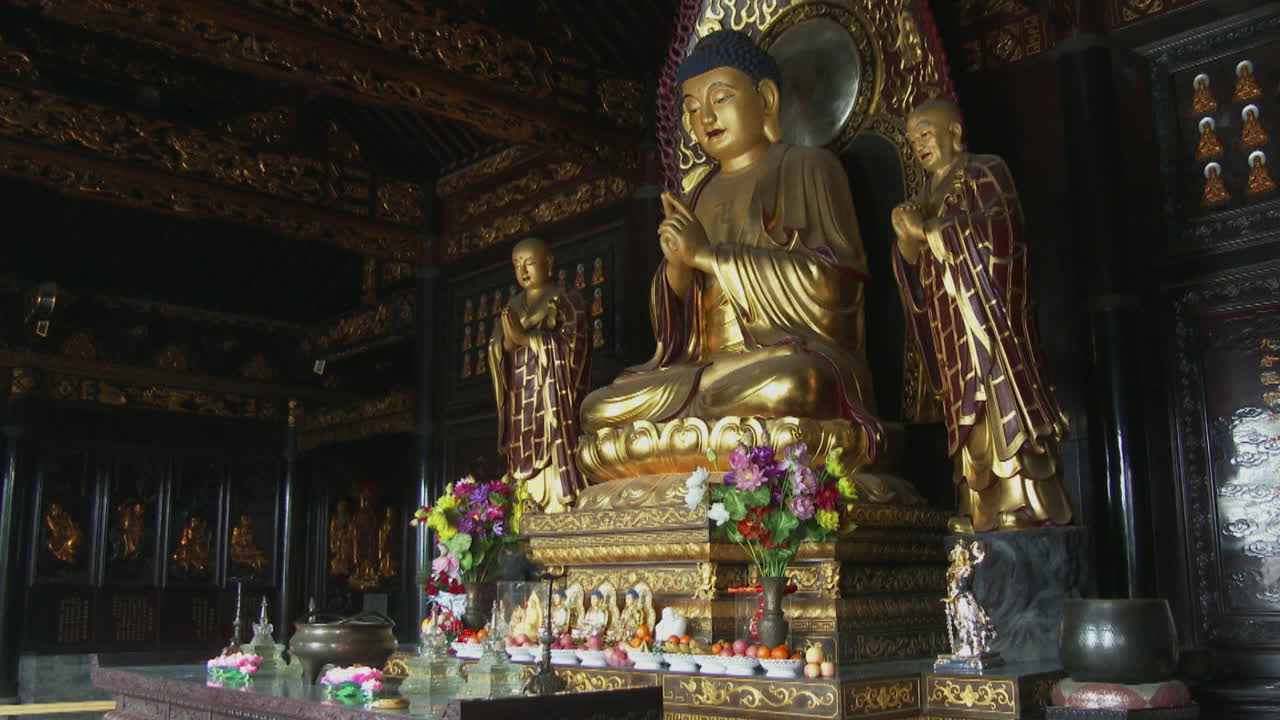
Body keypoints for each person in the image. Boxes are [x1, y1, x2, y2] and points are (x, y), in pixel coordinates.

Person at [579, 29, 881, 473]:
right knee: (597, 408)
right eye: (693, 109)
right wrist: (678, 272)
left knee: (796, 387)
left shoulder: (808, 166)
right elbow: (678, 330)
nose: (706, 118)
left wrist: (707, 256)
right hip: (704, 372)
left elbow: (835, 288)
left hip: (785, 362)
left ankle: (707, 406)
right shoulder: (698, 192)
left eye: (719, 98)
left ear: (768, 99)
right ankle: (708, 398)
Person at [891, 98, 1073, 533]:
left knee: (1003, 407)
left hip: (990, 321)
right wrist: (907, 245)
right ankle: (981, 508)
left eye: (926, 133)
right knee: (967, 419)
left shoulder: (983, 171)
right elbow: (915, 278)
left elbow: (1002, 231)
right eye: (913, 138)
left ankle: (1026, 502)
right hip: (950, 328)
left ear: (954, 131)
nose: (919, 145)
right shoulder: (921, 198)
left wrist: (931, 232)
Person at [488, 237, 591, 512]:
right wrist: (508, 342)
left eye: (530, 263)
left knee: (551, 441)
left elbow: (573, 347)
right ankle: (522, 501)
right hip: (520, 394)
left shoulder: (567, 299)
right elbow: (498, 349)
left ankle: (558, 499)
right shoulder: (512, 305)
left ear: (548, 263)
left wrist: (526, 338)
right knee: (520, 450)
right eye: (517, 265)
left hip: (551, 394)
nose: (523, 271)